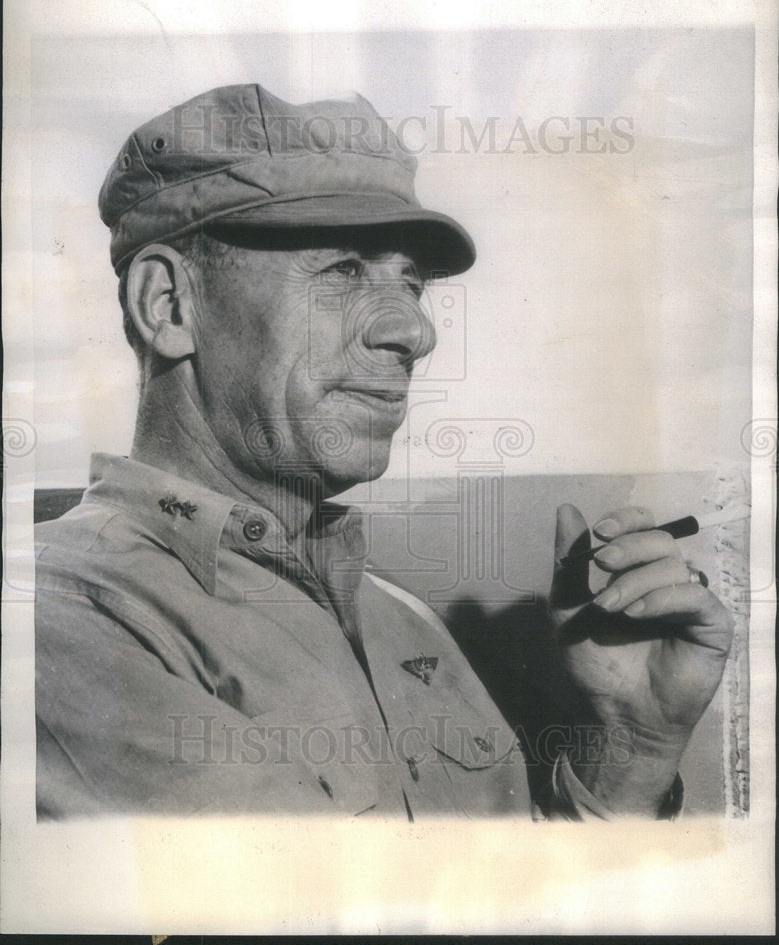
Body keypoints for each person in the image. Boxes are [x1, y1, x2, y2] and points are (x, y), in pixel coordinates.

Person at [35, 84, 733, 820]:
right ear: (167, 306)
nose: (414, 333)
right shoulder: (58, 622)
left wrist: (630, 747)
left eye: (410, 282)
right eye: (341, 271)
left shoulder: (396, 615)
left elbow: (507, 895)